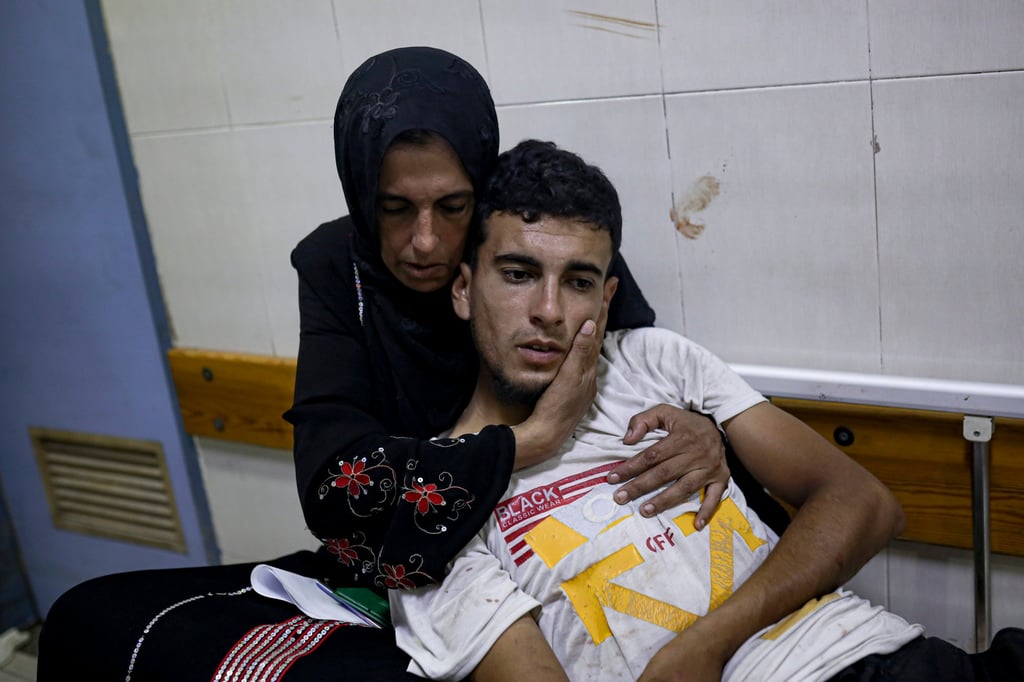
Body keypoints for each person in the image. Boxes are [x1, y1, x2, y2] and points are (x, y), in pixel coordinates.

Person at [36, 47, 746, 680]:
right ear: (360, 194)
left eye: (453, 205)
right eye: (395, 208)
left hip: (530, 542)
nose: (425, 242)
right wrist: (523, 442)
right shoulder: (334, 267)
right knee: (89, 616)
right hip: (389, 551)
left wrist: (703, 425)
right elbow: (332, 487)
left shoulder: (529, 233)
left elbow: (636, 368)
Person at [388, 140, 1024, 681]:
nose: (551, 312)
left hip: (882, 654)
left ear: (607, 299)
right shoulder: (435, 508)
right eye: (520, 273)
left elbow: (866, 504)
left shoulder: (652, 363)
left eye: (579, 282)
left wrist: (706, 645)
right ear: (466, 288)